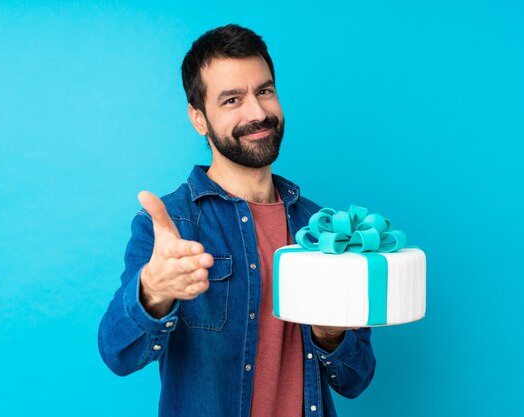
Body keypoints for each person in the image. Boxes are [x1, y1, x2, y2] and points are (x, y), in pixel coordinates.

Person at [98, 24, 376, 417]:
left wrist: (330, 335)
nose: (258, 112)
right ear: (199, 119)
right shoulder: (169, 225)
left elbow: (357, 378)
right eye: (232, 100)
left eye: (264, 91)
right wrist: (153, 291)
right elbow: (117, 354)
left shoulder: (321, 227)